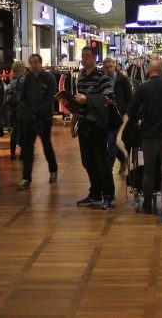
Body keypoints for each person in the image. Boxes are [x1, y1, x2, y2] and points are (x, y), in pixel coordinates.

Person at [126, 59, 162, 222]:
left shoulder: (143, 88)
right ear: (161, 71)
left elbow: (131, 111)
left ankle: (147, 204)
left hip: (149, 137)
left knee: (149, 171)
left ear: (148, 71)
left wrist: (139, 122)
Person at [69, 46, 115, 210]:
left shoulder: (101, 77)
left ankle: (108, 194)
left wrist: (87, 99)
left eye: (87, 56)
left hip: (97, 125)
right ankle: (95, 193)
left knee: (101, 161)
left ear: (94, 58)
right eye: (83, 56)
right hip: (83, 124)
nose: (84, 58)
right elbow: (78, 103)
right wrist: (73, 122)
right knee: (87, 161)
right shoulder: (81, 78)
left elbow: (110, 98)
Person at [17, 53, 59, 189]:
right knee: (28, 148)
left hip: (44, 118)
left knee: (47, 145)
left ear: (40, 63)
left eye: (36, 62)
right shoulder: (27, 80)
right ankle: (26, 178)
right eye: (31, 62)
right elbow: (22, 98)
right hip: (29, 119)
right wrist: (26, 112)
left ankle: (53, 170)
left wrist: (38, 111)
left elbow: (50, 98)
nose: (34, 65)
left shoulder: (49, 78)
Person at [102, 57, 131, 176]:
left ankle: (109, 167)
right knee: (109, 139)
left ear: (115, 66)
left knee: (111, 139)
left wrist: (123, 111)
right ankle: (123, 159)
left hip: (118, 114)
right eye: (106, 67)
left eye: (110, 66)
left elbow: (129, 98)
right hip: (104, 114)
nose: (109, 69)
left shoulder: (122, 79)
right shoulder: (102, 80)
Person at [4, 60, 28, 160]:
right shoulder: (23, 80)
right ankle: (23, 153)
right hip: (23, 109)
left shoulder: (12, 81)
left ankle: (13, 153)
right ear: (20, 69)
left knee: (15, 130)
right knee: (24, 131)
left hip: (13, 109)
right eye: (24, 67)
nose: (26, 69)